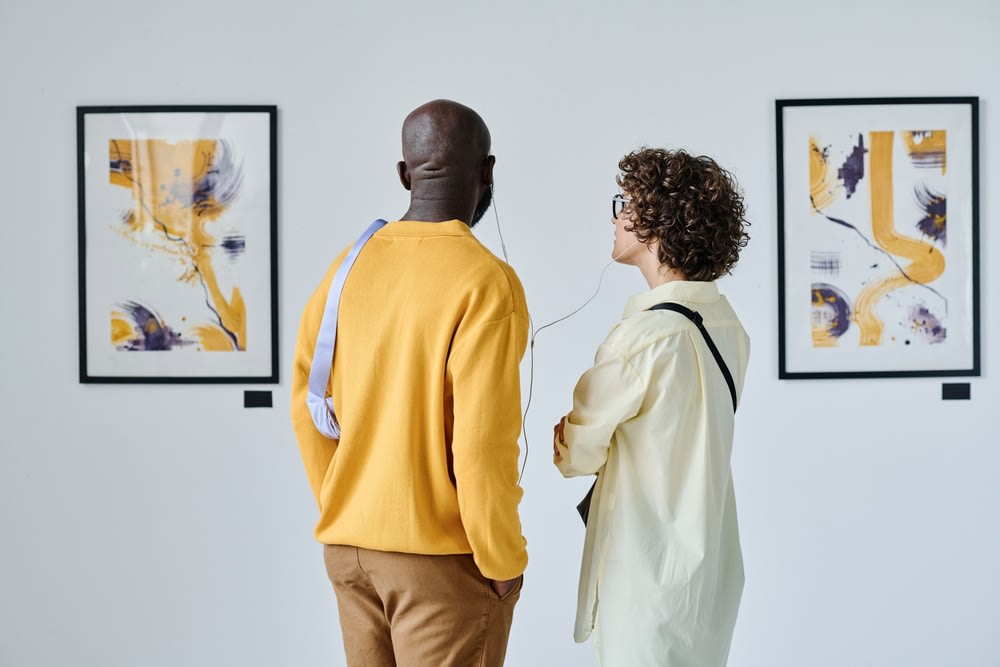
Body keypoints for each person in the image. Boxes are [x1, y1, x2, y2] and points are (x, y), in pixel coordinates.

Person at [291, 99, 528, 667]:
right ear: (488, 171)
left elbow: (306, 405)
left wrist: (348, 503)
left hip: (350, 552)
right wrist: (501, 559)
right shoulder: (485, 281)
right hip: (437, 562)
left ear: (404, 174)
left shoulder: (346, 268)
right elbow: (481, 445)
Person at [552, 147, 751, 666]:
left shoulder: (642, 338)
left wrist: (565, 437)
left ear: (657, 224)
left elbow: (576, 455)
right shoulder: (729, 328)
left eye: (626, 204)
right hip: (709, 574)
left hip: (646, 574)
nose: (616, 218)